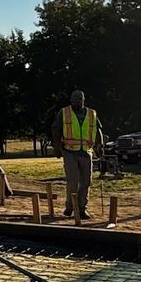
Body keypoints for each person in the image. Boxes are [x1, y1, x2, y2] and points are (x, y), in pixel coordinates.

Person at [52, 89, 104, 217]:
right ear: (71, 100)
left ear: (83, 100)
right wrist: (57, 147)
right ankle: (70, 206)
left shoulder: (92, 114)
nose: (76, 102)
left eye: (79, 99)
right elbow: (55, 129)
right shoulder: (64, 113)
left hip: (86, 151)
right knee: (73, 181)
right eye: (74, 100)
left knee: (86, 182)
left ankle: (82, 209)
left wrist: (100, 146)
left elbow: (98, 131)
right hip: (69, 151)